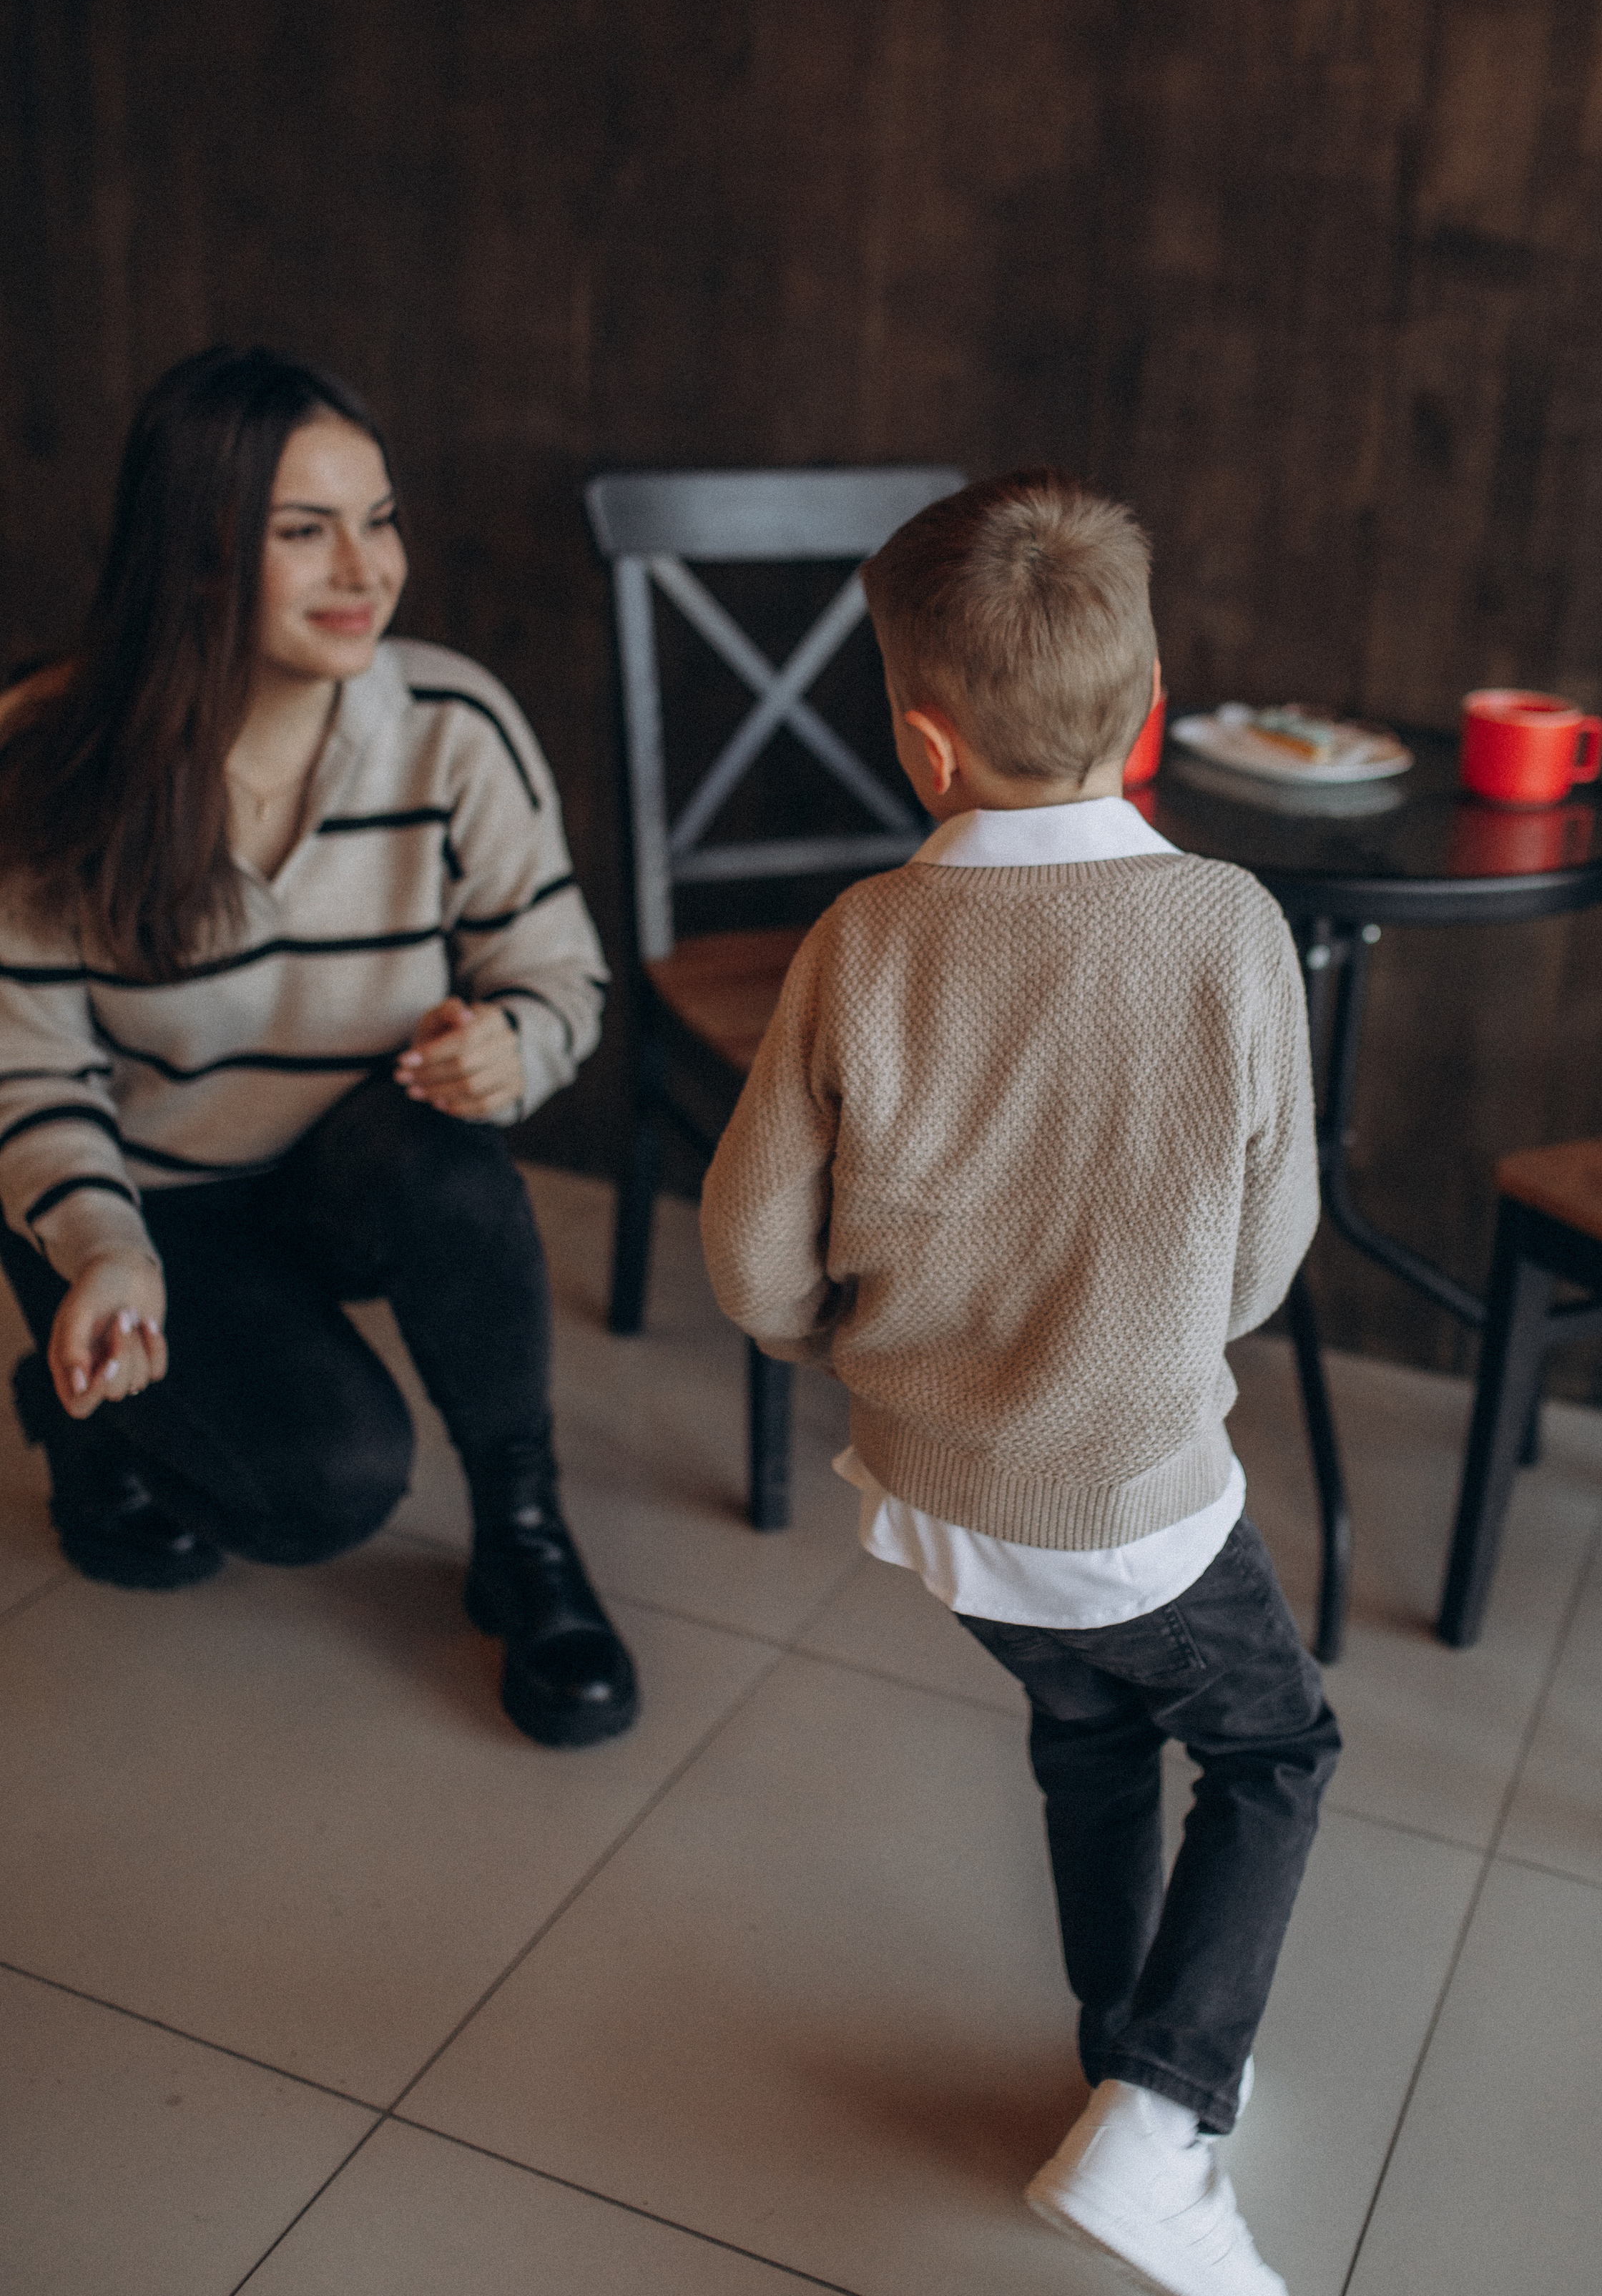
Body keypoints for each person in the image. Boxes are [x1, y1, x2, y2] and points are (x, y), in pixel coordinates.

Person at [699, 474, 1339, 2296]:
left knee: (1083, 1731)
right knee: (1276, 1750)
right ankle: (1157, 2118)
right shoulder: (1225, 928)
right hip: (1129, 1498)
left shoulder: (857, 944)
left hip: (940, 1507)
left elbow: (750, 1258)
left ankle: (1113, 2045)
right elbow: (1267, 1248)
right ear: (1151, 708)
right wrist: (1143, 1336)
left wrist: (843, 1350)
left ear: (922, 743)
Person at [0, 344, 638, 1750]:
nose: (366, 568)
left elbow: (556, 973)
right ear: (198, 548)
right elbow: (26, 1073)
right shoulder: (45, 755)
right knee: (321, 1490)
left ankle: (525, 1536)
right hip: (150, 1202)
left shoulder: (450, 726)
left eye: (381, 517)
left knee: (455, 1160)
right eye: (305, 530)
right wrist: (104, 1249)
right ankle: (86, 1414)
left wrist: (514, 1048)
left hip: (353, 1174)